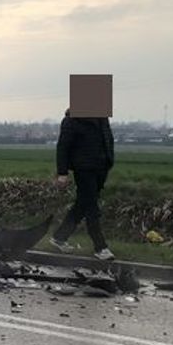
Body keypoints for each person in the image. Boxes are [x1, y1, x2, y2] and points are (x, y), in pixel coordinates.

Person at [49, 108, 115, 260]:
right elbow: (63, 147)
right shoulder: (71, 121)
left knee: (82, 204)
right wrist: (62, 173)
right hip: (83, 169)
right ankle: (100, 247)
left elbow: (108, 139)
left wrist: (109, 160)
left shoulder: (102, 118)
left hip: (101, 167)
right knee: (92, 206)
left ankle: (59, 237)